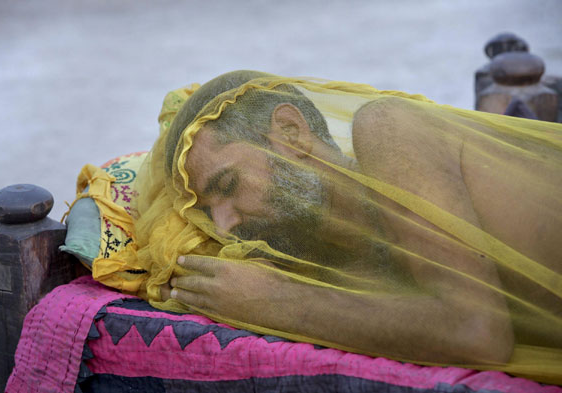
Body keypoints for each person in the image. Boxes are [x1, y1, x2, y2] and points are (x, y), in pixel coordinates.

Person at [131, 71, 562, 382]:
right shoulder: (341, 268)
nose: (227, 224)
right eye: (210, 212)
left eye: (228, 185)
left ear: (290, 132)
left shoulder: (390, 129)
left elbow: (478, 332)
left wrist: (275, 301)